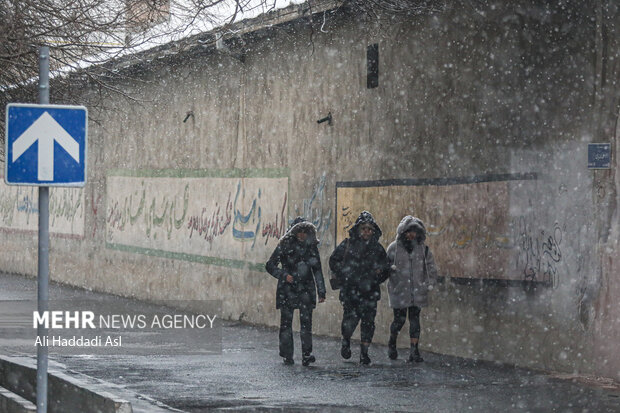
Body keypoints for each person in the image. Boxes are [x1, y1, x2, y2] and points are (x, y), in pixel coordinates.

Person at [329, 211, 389, 365]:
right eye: (364, 228)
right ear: (358, 229)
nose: (366, 232)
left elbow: (386, 268)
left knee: (369, 323)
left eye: (369, 229)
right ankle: (346, 341)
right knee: (350, 321)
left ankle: (364, 352)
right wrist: (346, 274)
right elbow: (334, 261)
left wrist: (377, 276)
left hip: (370, 292)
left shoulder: (377, 248)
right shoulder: (348, 244)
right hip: (351, 291)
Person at [266, 217, 326, 366]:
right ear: (294, 232)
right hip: (287, 290)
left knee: (306, 324)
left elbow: (317, 269)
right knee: (286, 323)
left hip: (306, 289)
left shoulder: (311, 247)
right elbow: (270, 265)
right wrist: (284, 276)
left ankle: (307, 354)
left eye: (305, 232)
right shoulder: (284, 245)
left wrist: (321, 291)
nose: (302, 235)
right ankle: (287, 354)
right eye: (299, 231)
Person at [386, 215, 438, 362]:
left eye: (414, 232)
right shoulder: (393, 249)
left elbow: (431, 268)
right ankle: (392, 342)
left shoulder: (424, 250)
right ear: (403, 232)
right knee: (399, 320)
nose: (411, 235)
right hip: (399, 291)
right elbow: (385, 266)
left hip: (418, 292)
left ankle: (414, 350)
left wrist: (429, 283)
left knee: (415, 320)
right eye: (409, 231)